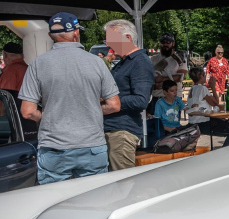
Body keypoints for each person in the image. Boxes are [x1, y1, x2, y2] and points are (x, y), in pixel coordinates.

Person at [19, 12, 121, 185]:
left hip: (54, 147)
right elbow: (114, 105)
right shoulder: (97, 62)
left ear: (50, 35)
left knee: (54, 199)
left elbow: (28, 112)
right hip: (91, 145)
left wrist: (50, 116)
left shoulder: (37, 64)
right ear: (76, 33)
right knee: (94, 197)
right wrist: (90, 110)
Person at [102, 19, 154, 170]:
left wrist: (110, 100)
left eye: (111, 39)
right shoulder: (124, 62)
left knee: (122, 181)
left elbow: (141, 100)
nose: (108, 44)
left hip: (122, 132)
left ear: (127, 38)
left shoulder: (140, 62)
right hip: (113, 130)